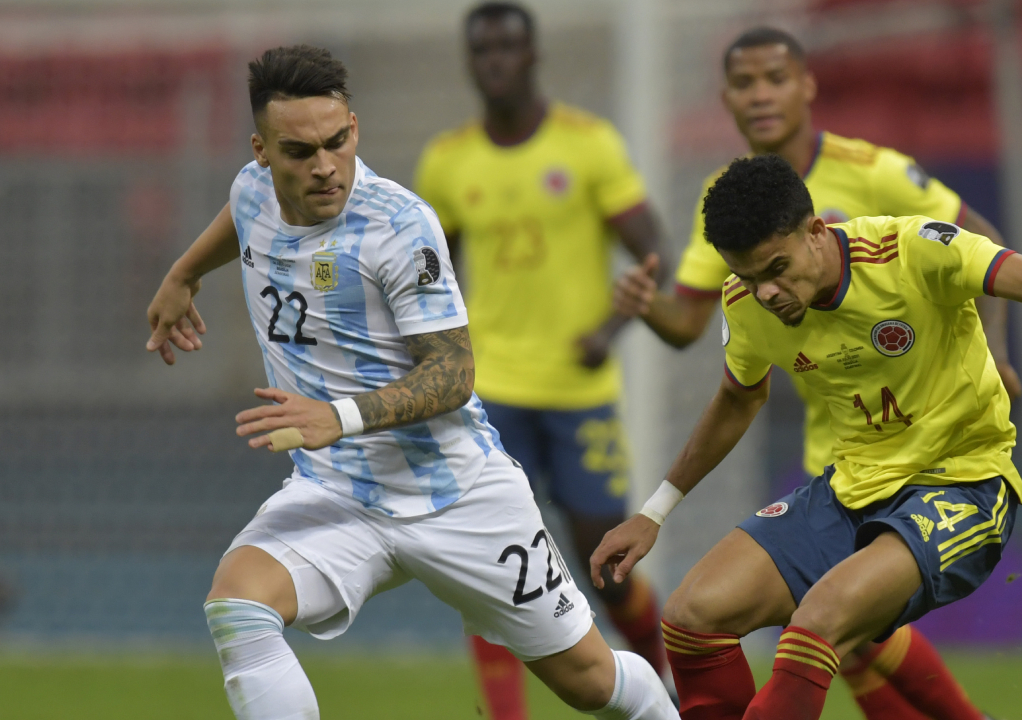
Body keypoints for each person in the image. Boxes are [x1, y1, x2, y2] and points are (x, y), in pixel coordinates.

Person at [145, 44, 677, 720]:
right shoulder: (253, 189)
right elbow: (243, 213)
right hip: (339, 494)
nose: (324, 165)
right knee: (238, 603)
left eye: (337, 142)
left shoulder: (398, 226)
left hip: (459, 497)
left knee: (589, 683)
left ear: (355, 127)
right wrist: (184, 273)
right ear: (262, 151)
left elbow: (453, 374)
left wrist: (339, 416)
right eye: (299, 152)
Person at [592, 155, 1022, 720]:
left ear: (816, 231)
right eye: (747, 276)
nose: (765, 292)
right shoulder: (746, 304)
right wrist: (656, 510)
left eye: (775, 269)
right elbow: (739, 398)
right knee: (693, 615)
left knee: (817, 623)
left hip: (964, 483)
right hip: (851, 489)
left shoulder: (910, 251)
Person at [612, 26, 1013, 720]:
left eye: (774, 78)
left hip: (928, 446)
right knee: (840, 637)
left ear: (806, 86)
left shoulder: (873, 172)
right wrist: (650, 311)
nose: (760, 95)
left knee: (837, 631)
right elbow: (697, 330)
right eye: (744, 83)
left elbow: (978, 247)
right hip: (839, 456)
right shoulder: (728, 205)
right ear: (726, 99)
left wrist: (996, 353)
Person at [414, 4, 673, 717]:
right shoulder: (447, 160)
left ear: (533, 57)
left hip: (577, 389)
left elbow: (656, 253)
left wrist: (613, 328)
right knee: (488, 565)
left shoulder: (588, 146)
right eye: (483, 49)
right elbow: (428, 277)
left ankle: (666, 686)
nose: (496, 60)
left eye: (509, 47)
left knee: (608, 565)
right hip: (489, 393)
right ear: (470, 62)